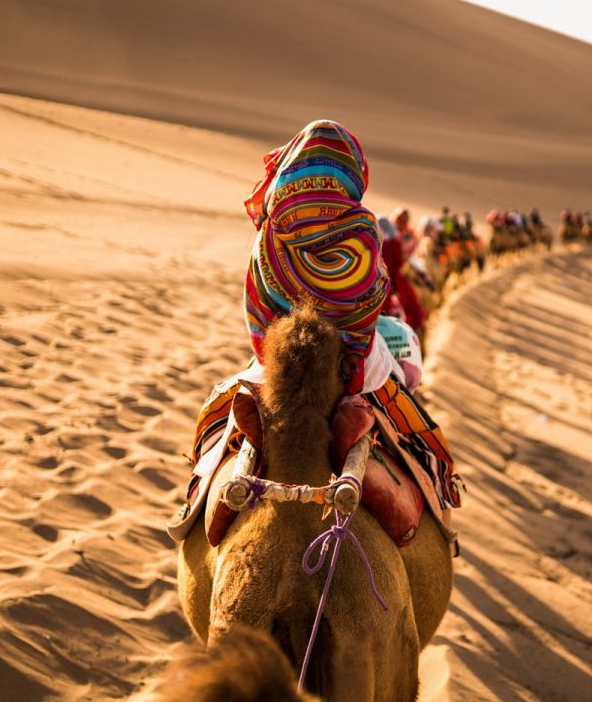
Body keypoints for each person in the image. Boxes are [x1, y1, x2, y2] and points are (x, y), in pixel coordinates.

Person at [185, 120, 463, 529]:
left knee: (213, 421)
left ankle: (197, 491)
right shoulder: (363, 229)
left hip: (279, 361)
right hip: (352, 368)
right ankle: (430, 482)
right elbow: (374, 297)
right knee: (415, 428)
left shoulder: (271, 228)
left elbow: (256, 305)